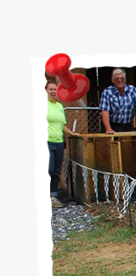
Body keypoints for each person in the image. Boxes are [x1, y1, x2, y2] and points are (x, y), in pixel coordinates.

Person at [46, 80, 80, 208]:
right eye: (50, 89)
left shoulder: (60, 106)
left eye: (55, 89)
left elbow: (62, 125)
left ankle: (53, 196)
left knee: (56, 171)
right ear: (45, 91)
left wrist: (71, 133)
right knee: (48, 169)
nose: (53, 92)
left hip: (59, 142)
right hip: (46, 141)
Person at [99, 68, 136, 133]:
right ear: (112, 80)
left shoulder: (132, 90)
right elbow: (105, 112)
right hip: (112, 125)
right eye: (117, 78)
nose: (120, 80)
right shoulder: (107, 92)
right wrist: (108, 129)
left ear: (125, 79)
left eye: (122, 78)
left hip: (127, 125)